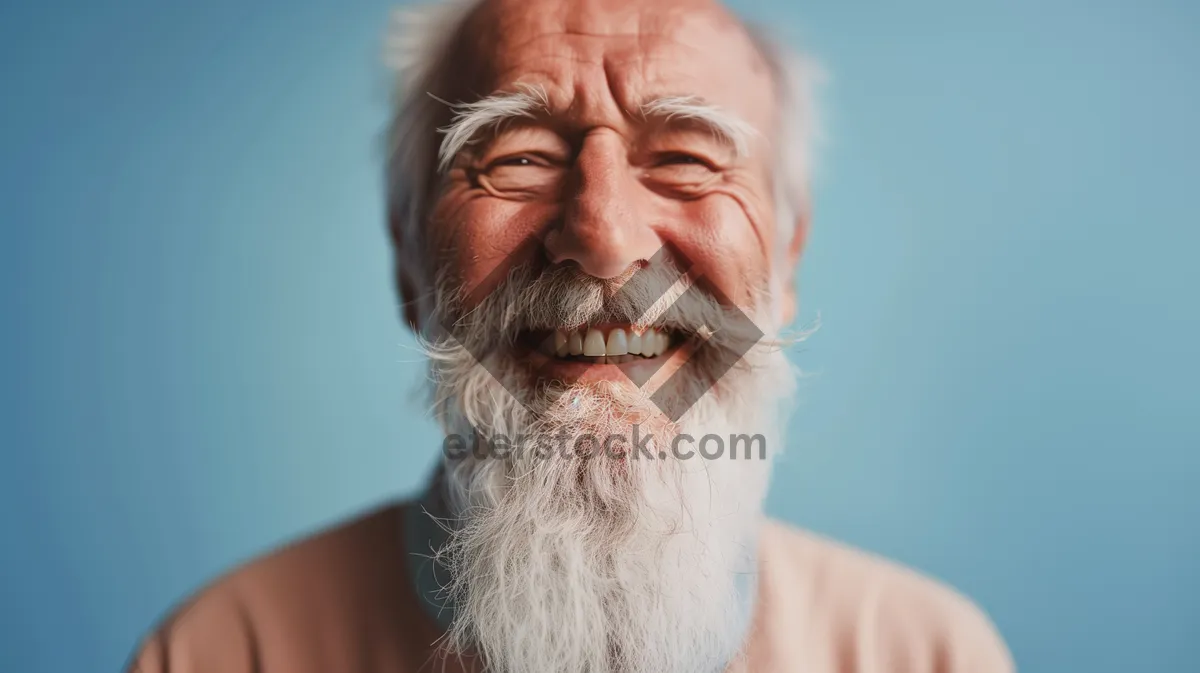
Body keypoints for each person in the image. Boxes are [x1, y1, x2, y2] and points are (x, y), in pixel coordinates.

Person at [126, 0, 1015, 671]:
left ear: (785, 254)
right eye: (517, 157)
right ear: (407, 258)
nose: (602, 237)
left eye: (685, 158)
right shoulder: (222, 649)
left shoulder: (925, 652)